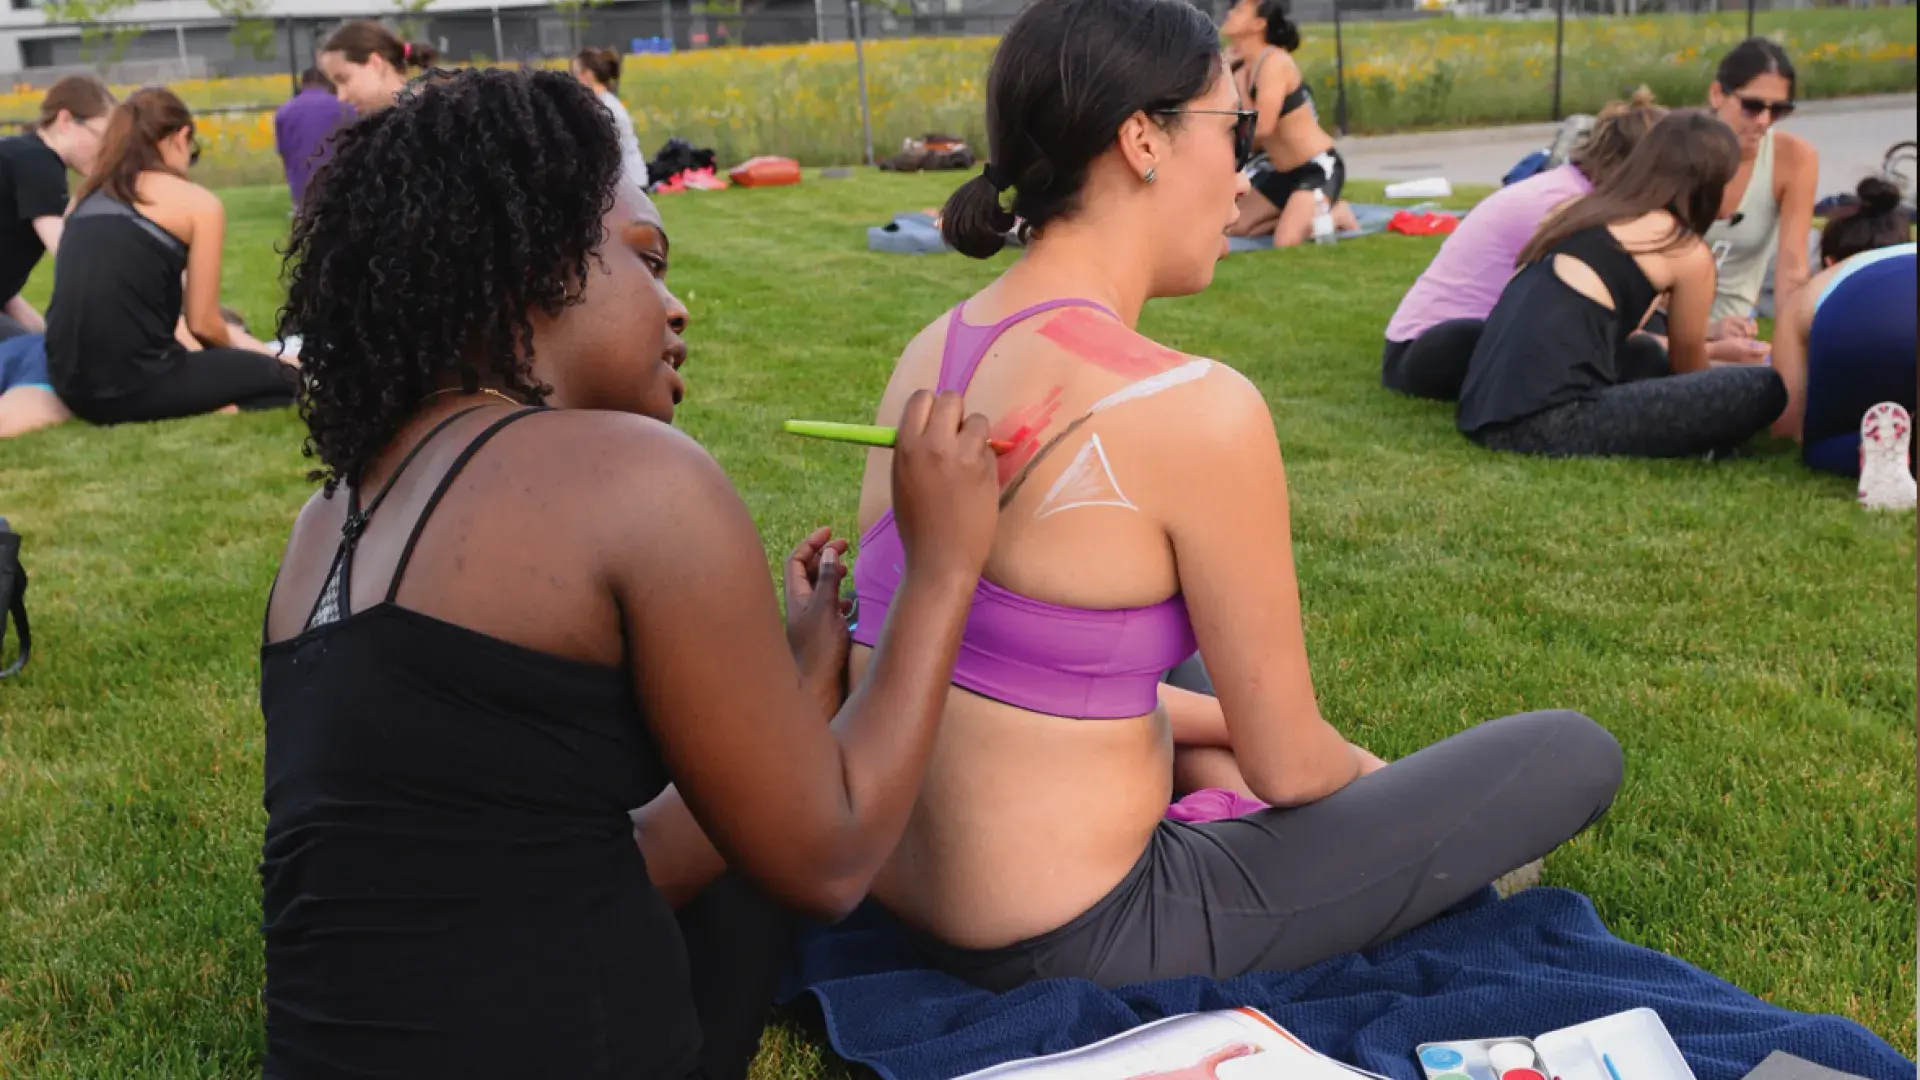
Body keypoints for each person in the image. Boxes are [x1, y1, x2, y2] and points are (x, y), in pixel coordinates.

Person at [845, 0, 1620, 991]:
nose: (1246, 172)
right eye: (1234, 129)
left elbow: (1001, 666)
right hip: (1079, 933)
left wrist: (1223, 738)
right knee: (1567, 753)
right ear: (1142, 140)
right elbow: (1292, 766)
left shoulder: (933, 352)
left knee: (1179, 647)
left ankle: (1218, 779)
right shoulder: (1193, 408)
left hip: (899, 887)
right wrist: (1370, 776)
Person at [261, 68, 1000, 1079]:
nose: (676, 305)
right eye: (647, 260)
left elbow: (603, 860)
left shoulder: (326, 521)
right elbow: (829, 861)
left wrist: (796, 685)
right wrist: (942, 565)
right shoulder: (641, 478)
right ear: (528, 262)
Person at [1456, 110, 1786, 459]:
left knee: (1644, 353)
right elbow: (1688, 366)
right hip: (1548, 423)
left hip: (1482, 407)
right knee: (1763, 385)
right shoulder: (1683, 250)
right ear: (1710, 183)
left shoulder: (1575, 212)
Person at [1381, 91, 1666, 401]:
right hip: (1431, 350)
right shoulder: (1566, 205)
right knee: (1640, 352)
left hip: (1455, 340)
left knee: (1644, 341)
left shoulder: (1572, 190)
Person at [45, 88, 298, 427]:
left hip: (70, 386)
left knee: (246, 370)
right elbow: (203, 324)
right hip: (136, 384)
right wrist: (275, 362)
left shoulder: (83, 198)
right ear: (181, 136)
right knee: (289, 381)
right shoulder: (196, 203)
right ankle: (218, 403)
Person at [1765, 176, 1915, 475]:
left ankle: (1885, 448)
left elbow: (1787, 425)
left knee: (1820, 445)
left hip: (1855, 314)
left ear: (1829, 262)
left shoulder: (1820, 287)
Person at [1219, 0, 1358, 246]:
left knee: (1286, 241)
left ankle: (1338, 213)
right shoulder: (1241, 68)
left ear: (1258, 24)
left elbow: (1262, 128)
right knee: (1235, 225)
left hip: (1316, 167)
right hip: (1282, 173)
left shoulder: (1275, 62)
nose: (1230, 13)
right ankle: (1296, 214)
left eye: (1239, 10)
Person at [1700, 38, 1817, 328]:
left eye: (1778, 110)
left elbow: (1792, 272)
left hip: (1734, 327)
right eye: (1752, 106)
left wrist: (1789, 345)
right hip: (1661, 324)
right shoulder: (1675, 147)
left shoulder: (1794, 159)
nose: (1764, 120)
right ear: (1717, 94)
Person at [0, 75, 114, 339]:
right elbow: (70, 255)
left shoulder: (20, 154)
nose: (107, 153)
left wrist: (46, 338)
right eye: (102, 138)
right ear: (65, 121)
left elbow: (6, 295)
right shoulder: (39, 161)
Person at [317, 20, 438, 114]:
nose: (341, 97)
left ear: (376, 62)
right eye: (335, 86)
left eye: (343, 79)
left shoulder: (434, 118)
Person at [572, 46, 650, 193]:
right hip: (626, 182)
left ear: (588, 75)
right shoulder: (602, 103)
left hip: (628, 185)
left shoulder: (606, 108)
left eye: (576, 74)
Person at [275, 67, 352, 208]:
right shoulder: (345, 107)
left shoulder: (285, 111)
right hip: (340, 182)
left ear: (303, 83)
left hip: (302, 187)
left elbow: (283, 150)